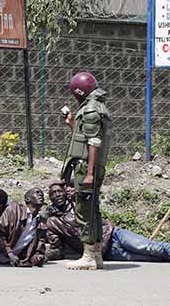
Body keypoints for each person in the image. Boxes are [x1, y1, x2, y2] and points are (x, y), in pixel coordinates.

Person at [44, 181, 170, 266]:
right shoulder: (53, 221)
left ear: (66, 192)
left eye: (60, 191)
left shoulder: (79, 202)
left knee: (153, 248)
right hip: (106, 252)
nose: (57, 195)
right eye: (53, 194)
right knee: (155, 259)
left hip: (113, 235)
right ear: (50, 199)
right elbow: (57, 248)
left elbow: (91, 191)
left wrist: (75, 190)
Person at [60, 71, 111, 270]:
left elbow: (94, 143)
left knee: (84, 210)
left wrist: (89, 173)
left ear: (79, 92)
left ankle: (89, 254)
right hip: (91, 164)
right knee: (93, 210)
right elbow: (86, 137)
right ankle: (95, 253)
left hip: (86, 166)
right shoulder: (96, 108)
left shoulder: (90, 110)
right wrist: (72, 124)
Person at [0, 187, 47, 267]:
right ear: (27, 199)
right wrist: (9, 253)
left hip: (14, 261)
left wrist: (37, 258)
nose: (40, 195)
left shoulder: (41, 222)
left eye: (42, 194)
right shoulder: (14, 209)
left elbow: (39, 246)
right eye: (37, 193)